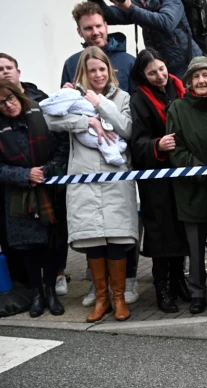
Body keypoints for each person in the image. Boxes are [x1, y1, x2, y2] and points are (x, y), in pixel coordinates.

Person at [45, 47, 138, 323]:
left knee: (117, 239)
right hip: (84, 178)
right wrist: (88, 121)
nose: (98, 74)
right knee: (94, 241)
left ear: (110, 71)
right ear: (83, 73)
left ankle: (119, 298)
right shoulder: (72, 97)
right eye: (92, 70)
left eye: (102, 69)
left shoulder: (123, 97)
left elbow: (127, 128)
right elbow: (50, 119)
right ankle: (102, 299)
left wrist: (99, 104)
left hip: (115, 177)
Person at [129, 48, 190, 313]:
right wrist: (157, 144)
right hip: (156, 178)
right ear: (143, 75)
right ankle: (162, 287)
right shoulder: (138, 99)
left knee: (181, 229)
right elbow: (137, 141)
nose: (160, 75)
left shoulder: (181, 90)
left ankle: (179, 280)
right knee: (162, 233)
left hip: (182, 173)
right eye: (152, 72)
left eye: (162, 69)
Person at [0, 80, 67, 317]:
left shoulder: (41, 113)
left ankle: (51, 292)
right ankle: (37, 294)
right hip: (18, 193)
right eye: (1, 103)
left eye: (10, 99)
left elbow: (62, 146)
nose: (8, 106)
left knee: (49, 245)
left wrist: (46, 170)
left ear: (18, 96)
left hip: (48, 189)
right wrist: (24, 174)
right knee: (28, 248)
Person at [167, 56, 207, 314]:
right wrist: (201, 170)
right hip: (191, 189)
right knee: (196, 249)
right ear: (188, 81)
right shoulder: (178, 108)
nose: (201, 80)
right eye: (196, 76)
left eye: (206, 75)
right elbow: (175, 148)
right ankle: (197, 292)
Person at [90, 0, 203, 80]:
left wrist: (130, 8)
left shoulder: (172, 1)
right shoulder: (138, 4)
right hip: (162, 68)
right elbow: (108, 15)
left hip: (188, 64)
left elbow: (166, 22)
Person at [62, 1, 135, 94]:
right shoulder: (71, 64)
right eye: (88, 28)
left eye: (98, 26)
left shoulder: (129, 62)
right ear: (79, 32)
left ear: (106, 26)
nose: (95, 32)